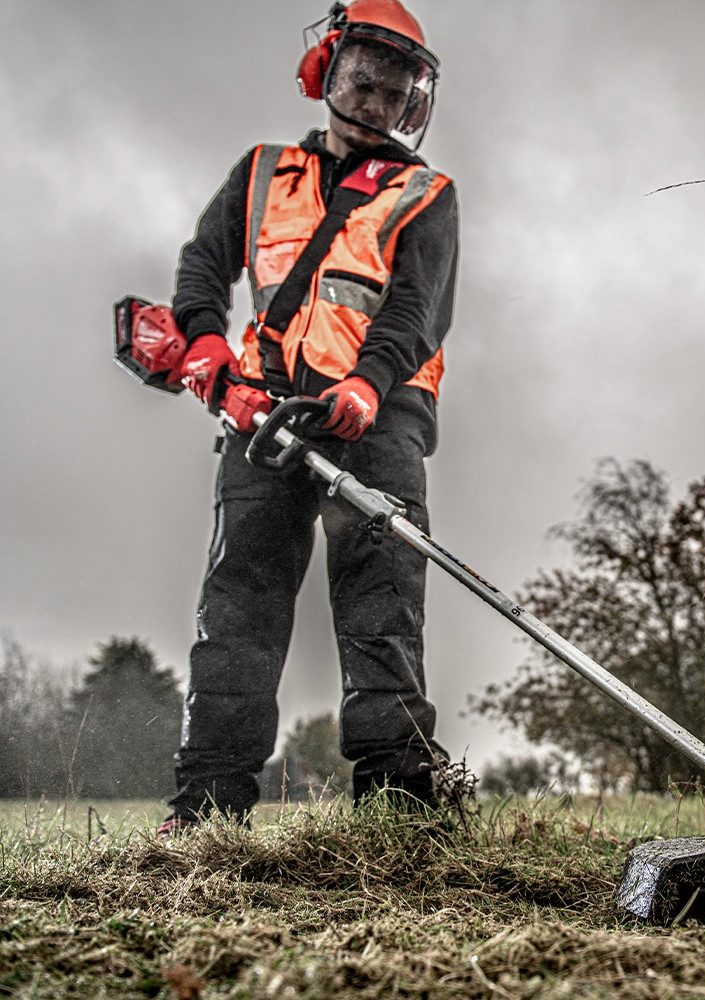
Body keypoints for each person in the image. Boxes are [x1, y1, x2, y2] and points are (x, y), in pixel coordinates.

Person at [157, 0, 458, 834]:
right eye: (365, 81)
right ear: (328, 68)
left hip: (378, 420)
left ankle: (399, 808)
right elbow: (202, 269)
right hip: (262, 421)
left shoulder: (425, 193)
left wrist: (366, 384)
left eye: (396, 93)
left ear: (413, 104)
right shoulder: (258, 175)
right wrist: (209, 349)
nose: (376, 102)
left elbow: (416, 311)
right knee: (238, 611)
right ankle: (209, 810)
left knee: (383, 608)